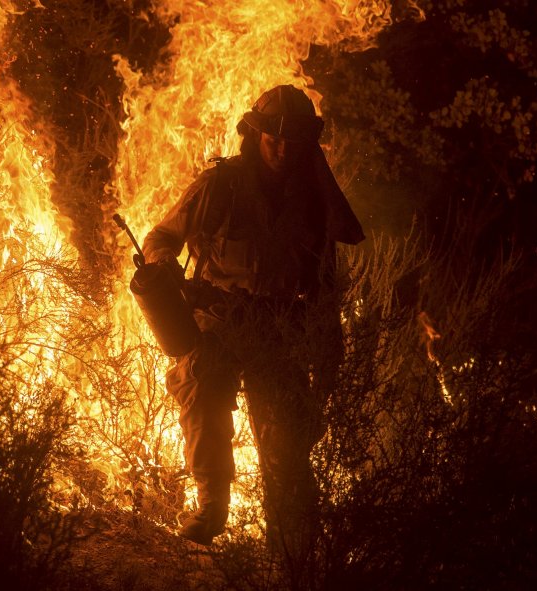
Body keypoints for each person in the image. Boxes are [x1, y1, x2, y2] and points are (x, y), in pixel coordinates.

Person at [141, 85, 364, 554]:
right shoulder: (221, 184)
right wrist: (161, 266)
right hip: (219, 317)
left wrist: (329, 345)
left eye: (294, 142)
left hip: (279, 328)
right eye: (273, 139)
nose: (282, 150)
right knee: (202, 393)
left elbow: (327, 278)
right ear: (255, 135)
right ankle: (210, 508)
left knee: (287, 440)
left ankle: (292, 546)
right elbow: (161, 235)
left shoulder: (313, 200)